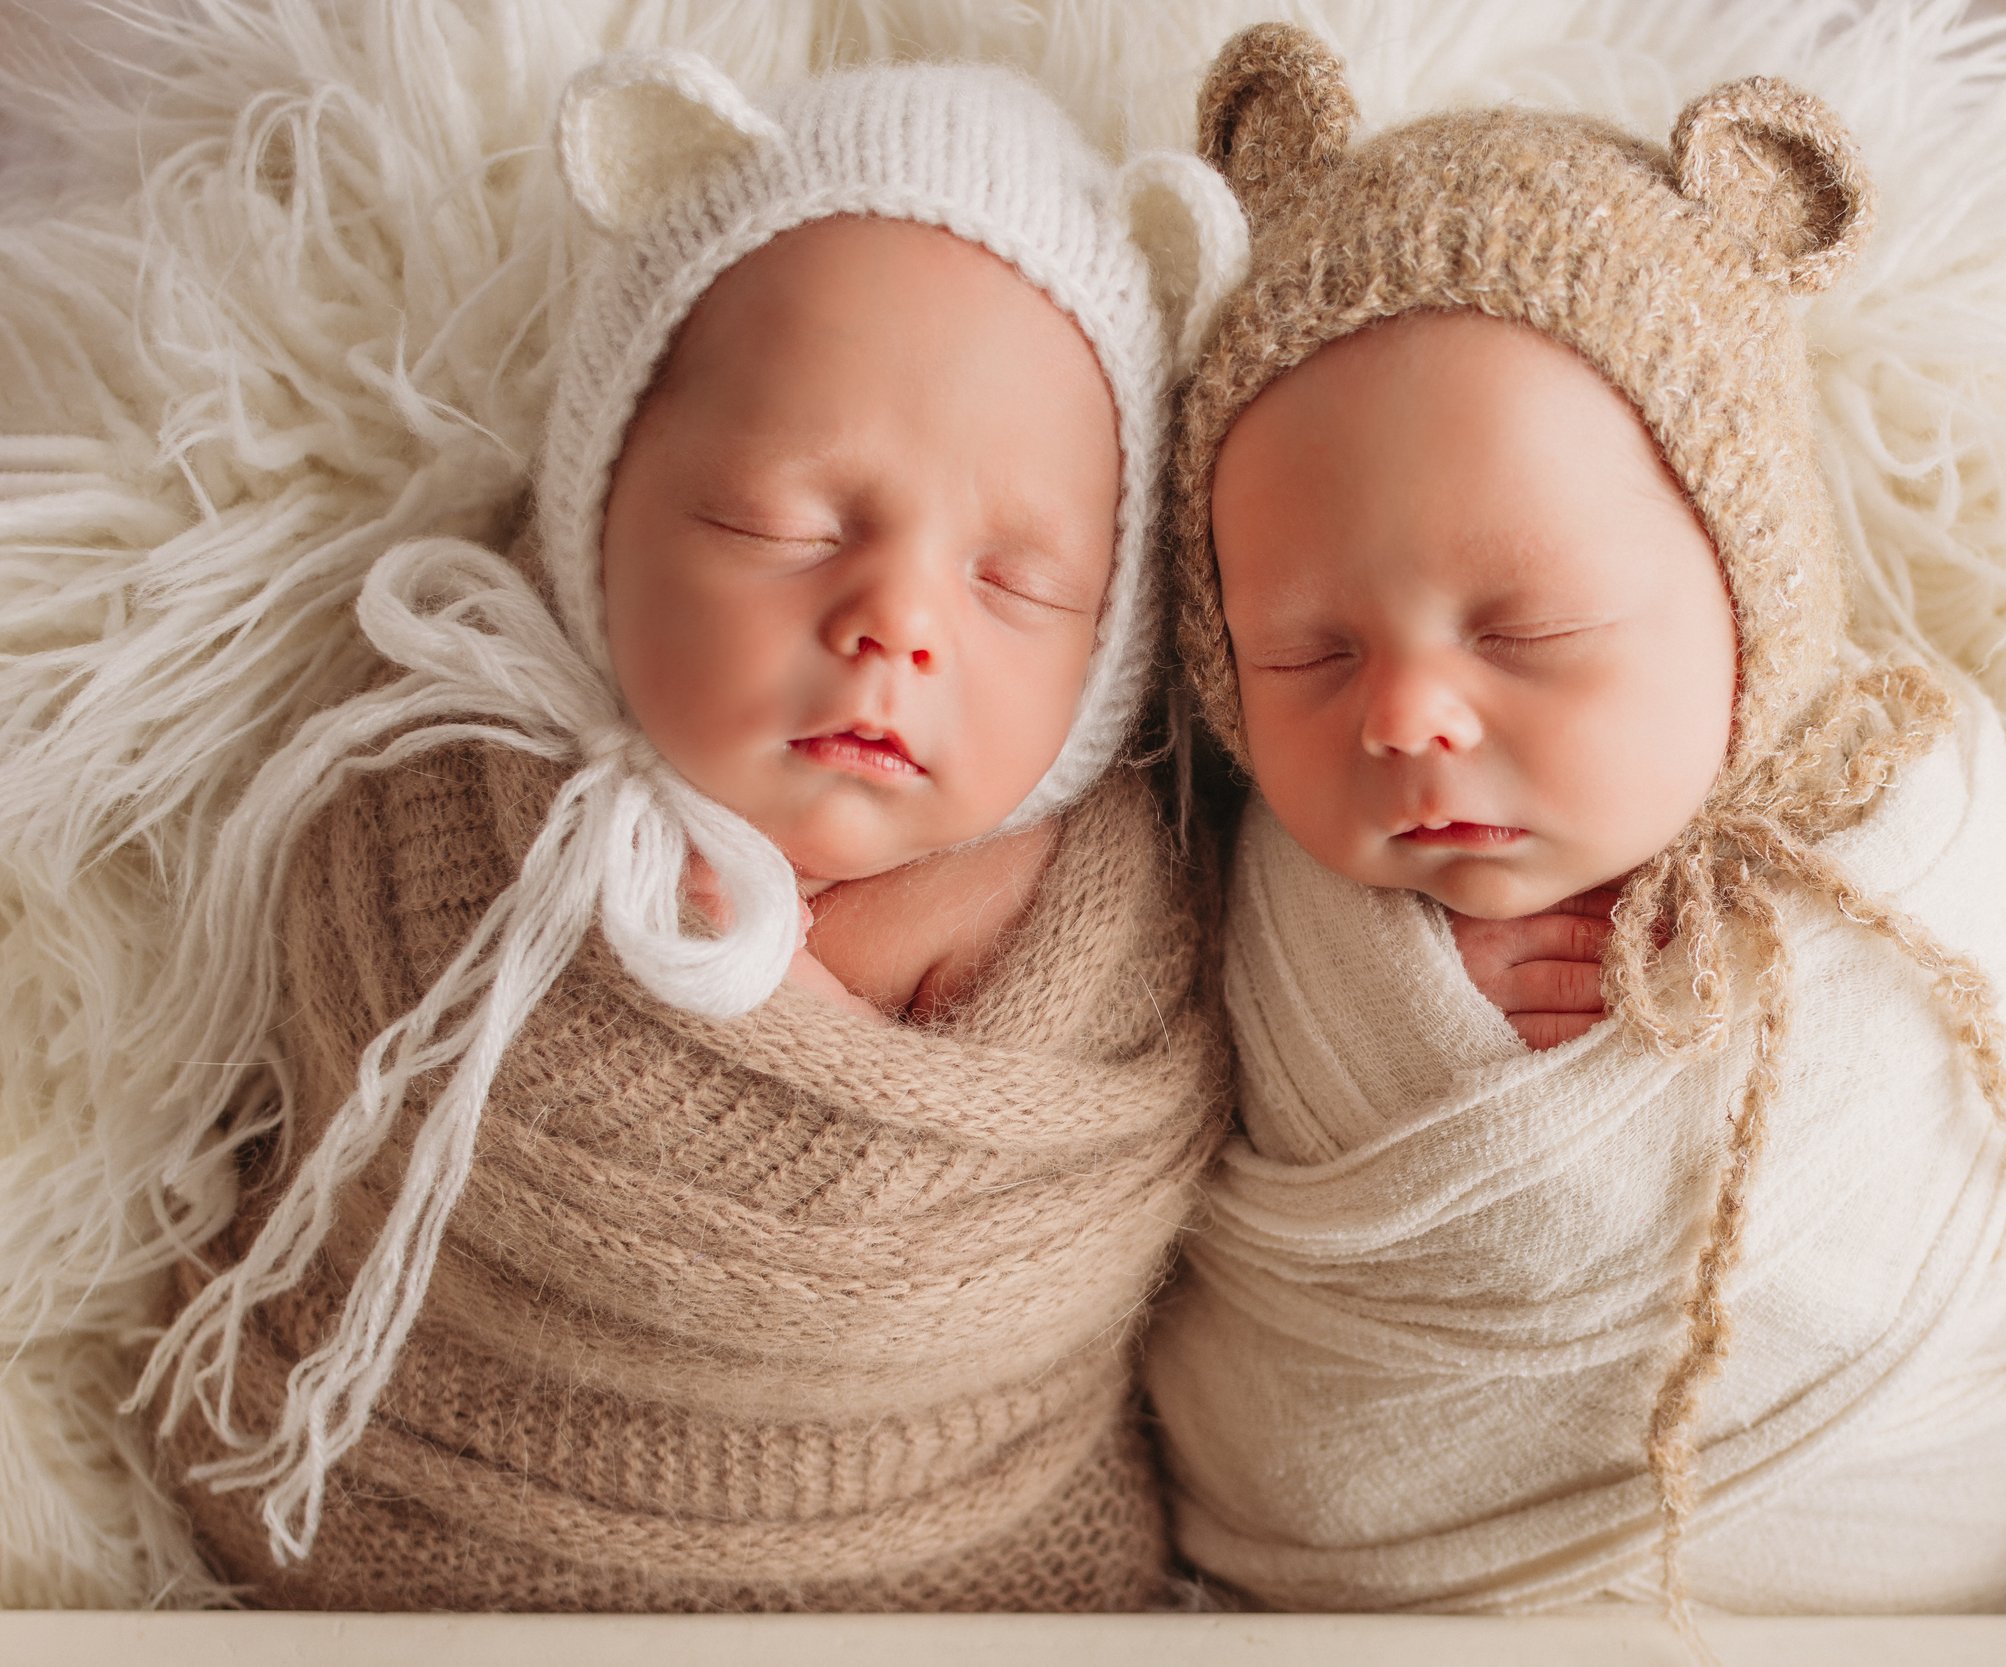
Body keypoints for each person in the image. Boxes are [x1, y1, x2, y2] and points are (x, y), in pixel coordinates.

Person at [138, 46, 1242, 1610]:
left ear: (1109, 655)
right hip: (411, 1540)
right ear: (600, 510)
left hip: (955, 1558)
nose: (893, 623)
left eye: (1016, 585)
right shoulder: (444, 791)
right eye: (784, 525)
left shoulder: (1123, 922)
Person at [1145, 22, 2006, 1618]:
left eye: (1525, 637)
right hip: (1348, 1578)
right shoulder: (1250, 894)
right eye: (1305, 657)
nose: (1402, 719)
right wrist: (1422, 1014)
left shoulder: (1896, 812)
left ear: (1749, 608)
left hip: (1919, 1556)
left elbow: (1937, 1092)